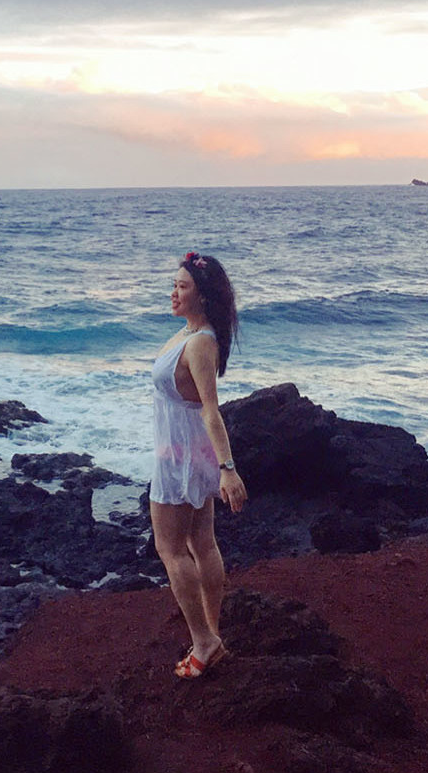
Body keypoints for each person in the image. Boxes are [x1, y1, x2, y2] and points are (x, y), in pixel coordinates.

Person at [151, 251, 248, 679]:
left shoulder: (200, 341)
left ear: (203, 296)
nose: (174, 292)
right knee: (200, 542)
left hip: (185, 458)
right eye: (174, 285)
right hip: (182, 451)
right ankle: (210, 635)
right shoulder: (188, 333)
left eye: (183, 286)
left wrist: (227, 468)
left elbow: (211, 409)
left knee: (171, 550)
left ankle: (205, 641)